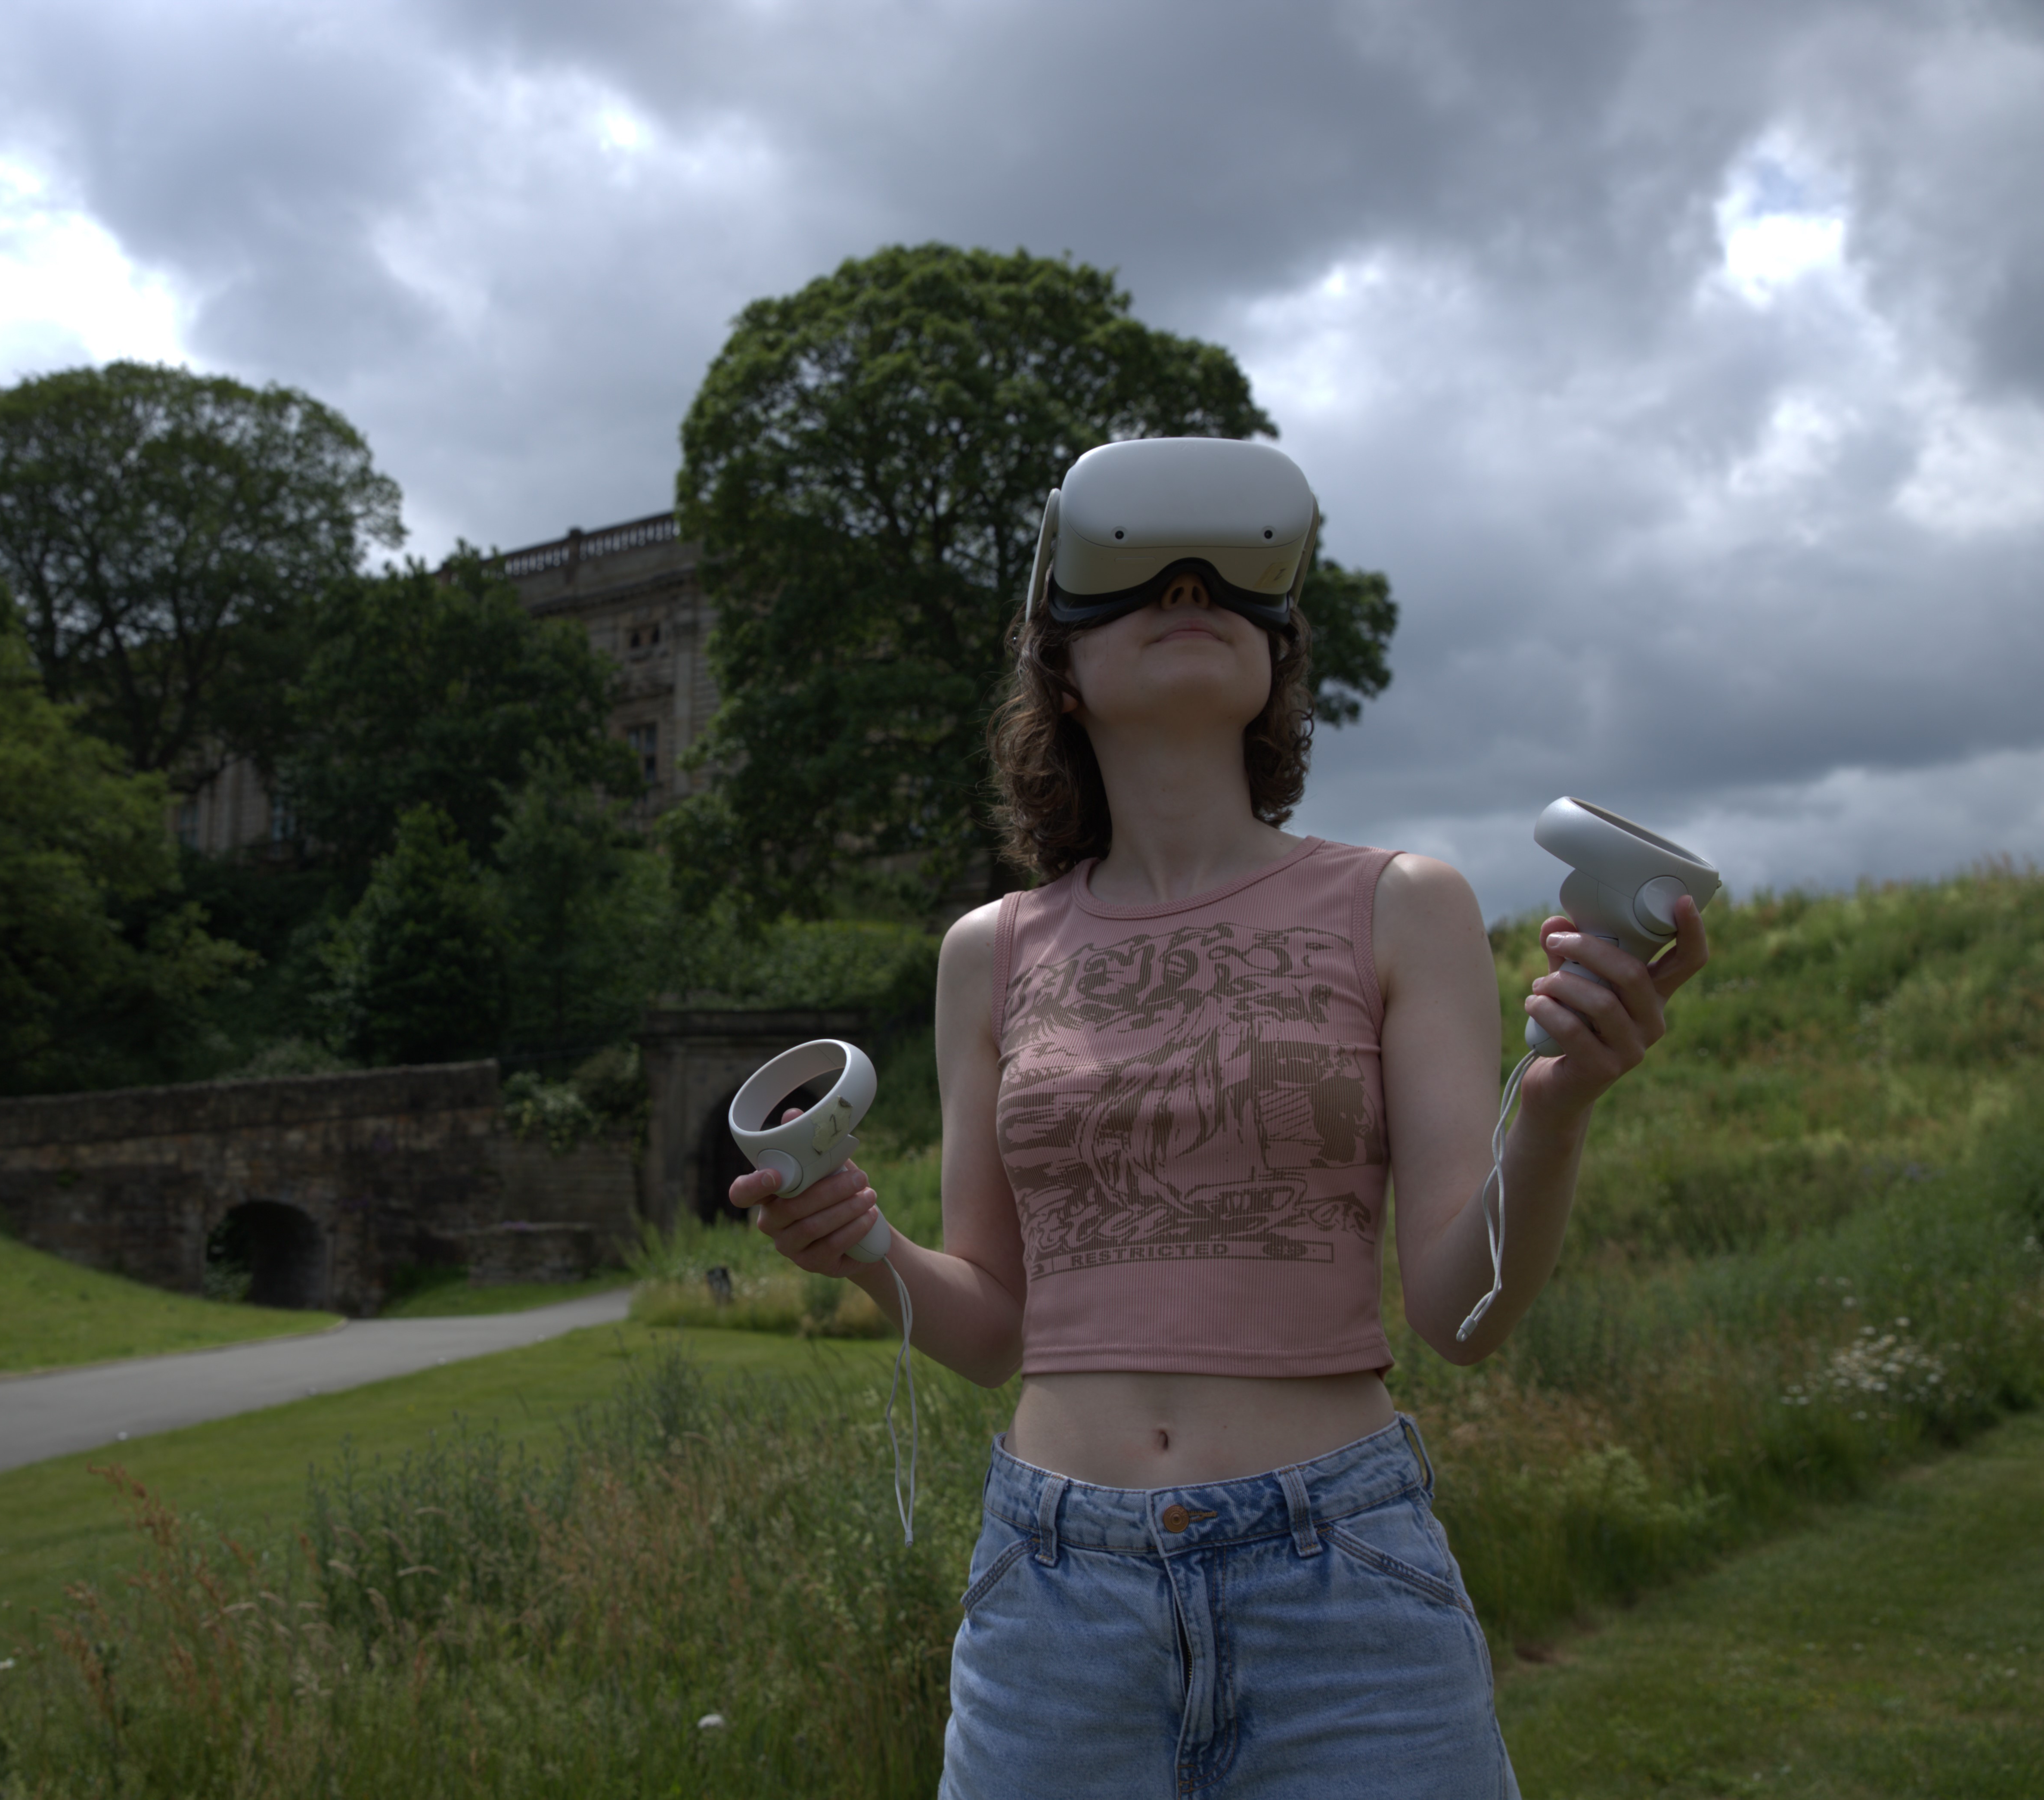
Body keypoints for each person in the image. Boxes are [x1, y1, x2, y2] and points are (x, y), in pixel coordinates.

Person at [731, 437, 1709, 1799]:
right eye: (1137, 576)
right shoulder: (988, 952)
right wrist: (866, 1252)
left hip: (1344, 1586)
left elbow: (1462, 1317)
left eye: (1232, 583)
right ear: (1059, 667)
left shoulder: (1402, 903)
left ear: (1277, 658)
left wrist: (1556, 1107)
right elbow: (1000, 1325)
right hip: (1053, 1597)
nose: (1190, 588)